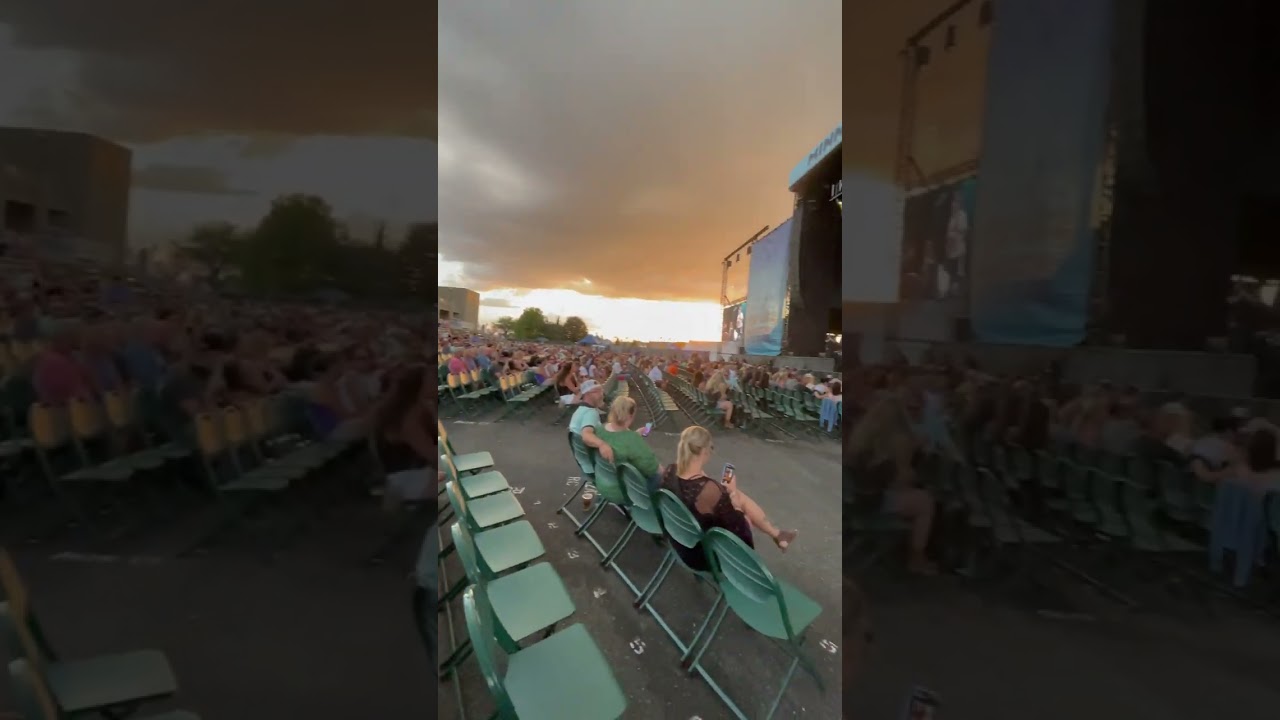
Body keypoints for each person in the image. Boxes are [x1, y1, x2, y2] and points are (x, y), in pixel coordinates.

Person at [661, 425, 796, 572]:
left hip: (678, 539)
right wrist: (733, 498)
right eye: (711, 448)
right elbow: (741, 533)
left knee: (734, 495)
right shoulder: (709, 490)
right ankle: (777, 535)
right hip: (702, 556)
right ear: (704, 451)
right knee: (743, 511)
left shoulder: (670, 470)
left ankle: (778, 535)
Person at [848, 392, 938, 575]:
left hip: (855, 498)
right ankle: (916, 558)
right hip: (873, 502)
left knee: (915, 497)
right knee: (925, 502)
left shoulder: (861, 436)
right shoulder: (895, 442)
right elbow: (901, 481)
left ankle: (905, 552)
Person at [596, 396, 661, 490]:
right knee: (658, 476)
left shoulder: (599, 430)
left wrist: (635, 434)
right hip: (624, 489)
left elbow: (619, 440)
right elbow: (652, 468)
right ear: (630, 416)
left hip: (602, 481)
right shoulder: (632, 439)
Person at [568, 380, 614, 471]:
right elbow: (586, 435)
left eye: (601, 391)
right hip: (596, 465)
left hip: (586, 462)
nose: (601, 395)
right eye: (596, 392)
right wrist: (602, 444)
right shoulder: (590, 413)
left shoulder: (581, 410)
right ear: (586, 394)